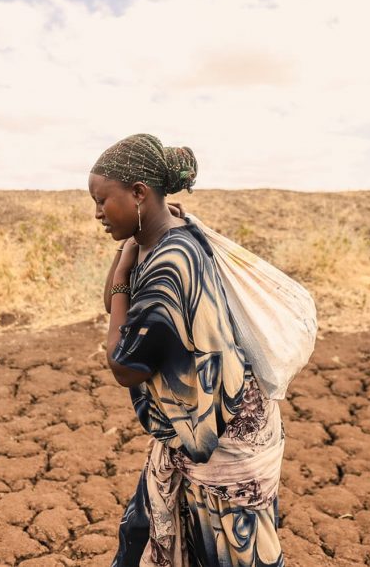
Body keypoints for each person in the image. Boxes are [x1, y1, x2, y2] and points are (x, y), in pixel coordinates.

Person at [88, 133, 285, 567]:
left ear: (139, 193)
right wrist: (127, 251)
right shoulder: (166, 238)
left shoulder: (171, 263)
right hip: (204, 431)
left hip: (222, 444)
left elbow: (124, 364)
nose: (97, 213)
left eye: (103, 201)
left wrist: (126, 265)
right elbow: (114, 303)